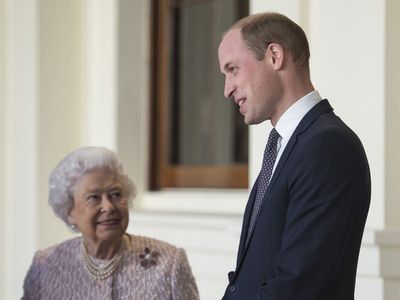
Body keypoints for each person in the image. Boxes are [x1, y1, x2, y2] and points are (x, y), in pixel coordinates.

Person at [218, 12, 371, 300]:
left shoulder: (328, 146)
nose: (227, 89)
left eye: (233, 69)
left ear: (275, 56)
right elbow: (256, 271)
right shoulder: (286, 144)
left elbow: (295, 286)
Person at [22, 146, 199, 300]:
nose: (108, 206)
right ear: (69, 211)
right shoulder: (45, 266)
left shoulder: (169, 264)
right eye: (93, 197)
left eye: (116, 194)